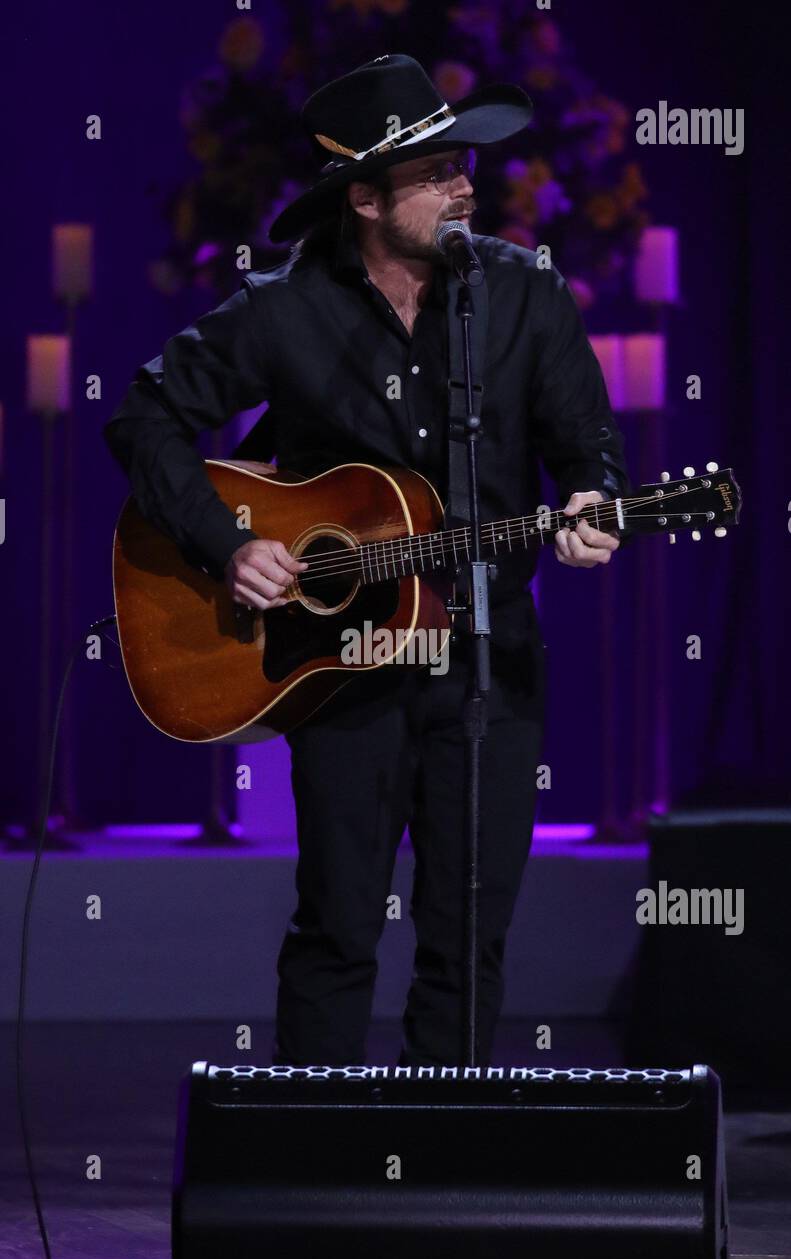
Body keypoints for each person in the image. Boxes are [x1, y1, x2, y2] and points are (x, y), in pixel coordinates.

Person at [103, 54, 628, 1068]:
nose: (462, 184)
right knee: (339, 928)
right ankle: (314, 1180)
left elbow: (584, 451)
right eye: (434, 171)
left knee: (464, 941)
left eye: (459, 165)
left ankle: (446, 1178)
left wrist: (593, 502)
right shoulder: (284, 308)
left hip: (488, 662)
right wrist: (229, 546)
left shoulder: (524, 296)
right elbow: (144, 417)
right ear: (364, 197)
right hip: (340, 674)